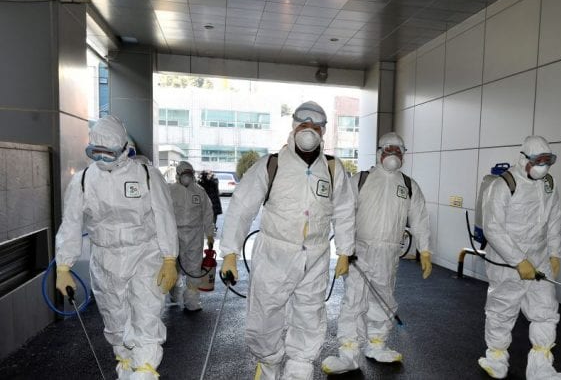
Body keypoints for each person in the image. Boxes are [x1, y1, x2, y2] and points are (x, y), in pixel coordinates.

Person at [220, 101, 356, 380]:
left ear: (323, 132)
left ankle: (299, 369)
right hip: (274, 255)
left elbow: (344, 210)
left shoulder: (333, 169)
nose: (309, 131)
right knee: (265, 315)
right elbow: (241, 207)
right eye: (304, 125)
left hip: (315, 257)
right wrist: (230, 253)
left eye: (316, 127)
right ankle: (268, 363)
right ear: (294, 127)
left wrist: (345, 251)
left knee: (309, 315)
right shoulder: (272, 164)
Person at [54, 115, 178, 380]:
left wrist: (170, 258)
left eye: (108, 152)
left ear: (123, 148)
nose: (102, 158)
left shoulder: (147, 175)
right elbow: (71, 223)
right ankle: (126, 366)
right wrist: (63, 266)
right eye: (96, 152)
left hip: (145, 255)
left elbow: (164, 217)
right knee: (114, 319)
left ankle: (144, 370)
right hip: (105, 260)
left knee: (146, 315)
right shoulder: (84, 180)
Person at [321, 132, 432, 374]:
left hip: (389, 253)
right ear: (379, 152)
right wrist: (344, 251)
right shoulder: (361, 179)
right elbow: (344, 215)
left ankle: (377, 345)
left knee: (384, 298)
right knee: (354, 301)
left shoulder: (409, 186)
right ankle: (348, 354)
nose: (394, 154)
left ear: (404, 155)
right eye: (389, 149)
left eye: (399, 150)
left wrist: (424, 250)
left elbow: (420, 219)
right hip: (359, 251)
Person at [478, 136, 561, 380]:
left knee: (546, 310)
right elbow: (492, 227)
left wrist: (555, 253)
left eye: (547, 162)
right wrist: (518, 260)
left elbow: (554, 220)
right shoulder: (503, 185)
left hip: (539, 258)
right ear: (523, 159)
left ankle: (541, 367)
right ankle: (496, 357)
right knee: (502, 310)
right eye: (538, 161)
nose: (543, 167)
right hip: (506, 263)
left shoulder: (548, 184)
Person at [168, 161, 215, 312]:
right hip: (174, 234)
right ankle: (174, 292)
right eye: (184, 174)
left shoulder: (199, 192)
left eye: (189, 174)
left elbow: (207, 214)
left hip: (195, 235)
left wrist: (210, 234)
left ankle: (192, 301)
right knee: (173, 266)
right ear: (178, 175)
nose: (187, 177)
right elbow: (162, 213)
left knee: (194, 268)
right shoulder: (170, 191)